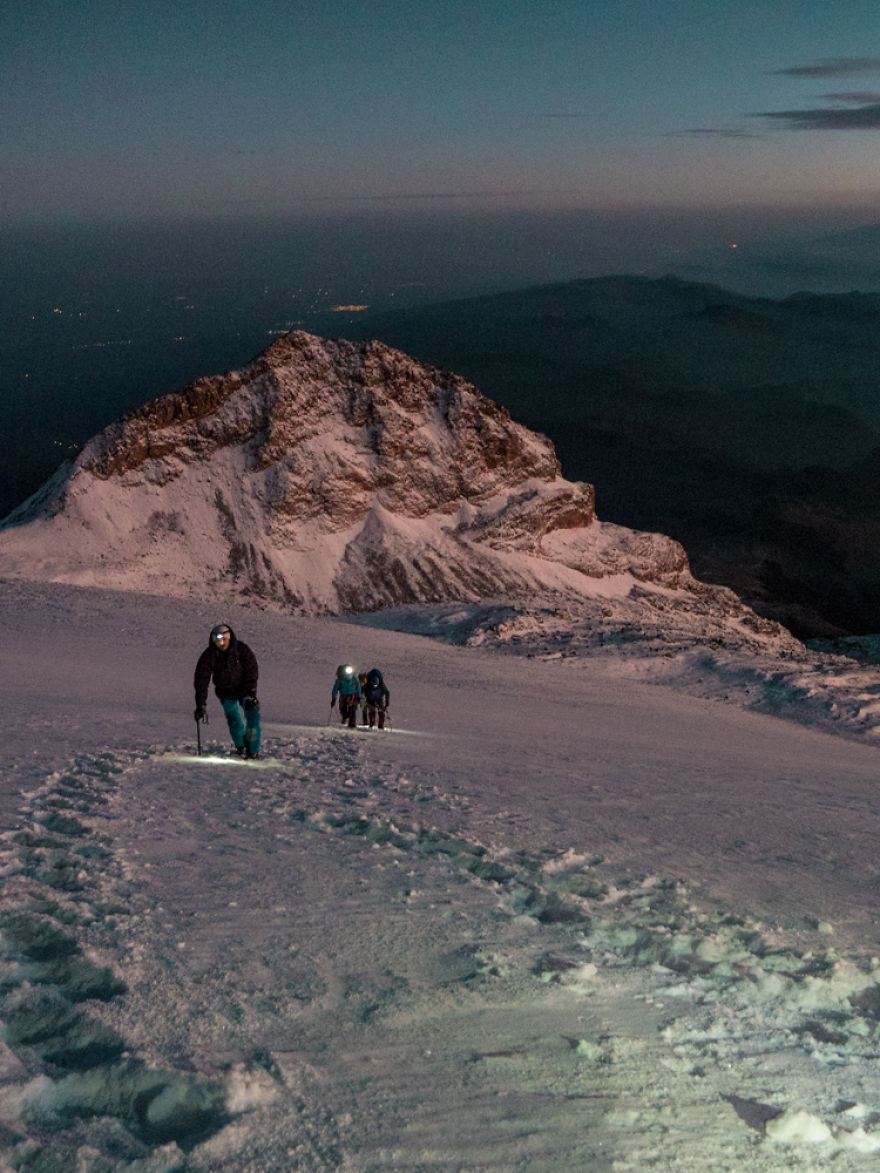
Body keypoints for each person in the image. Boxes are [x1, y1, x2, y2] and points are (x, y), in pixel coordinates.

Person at [194, 624, 261, 759]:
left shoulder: (242, 650)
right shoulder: (209, 655)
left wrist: (250, 693)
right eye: (218, 641)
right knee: (234, 720)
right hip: (225, 692)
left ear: (229, 638)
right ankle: (241, 746)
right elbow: (202, 679)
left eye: (224, 639)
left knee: (253, 718)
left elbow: (252, 671)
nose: (221, 643)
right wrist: (200, 704)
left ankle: (253, 751)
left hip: (244, 691)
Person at [331, 664, 362, 729]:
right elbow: (335, 689)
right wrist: (334, 698)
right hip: (343, 696)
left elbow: (358, 687)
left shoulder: (355, 679)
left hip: (352, 695)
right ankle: (345, 717)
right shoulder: (340, 679)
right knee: (343, 709)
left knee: (352, 710)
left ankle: (352, 725)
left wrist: (359, 696)